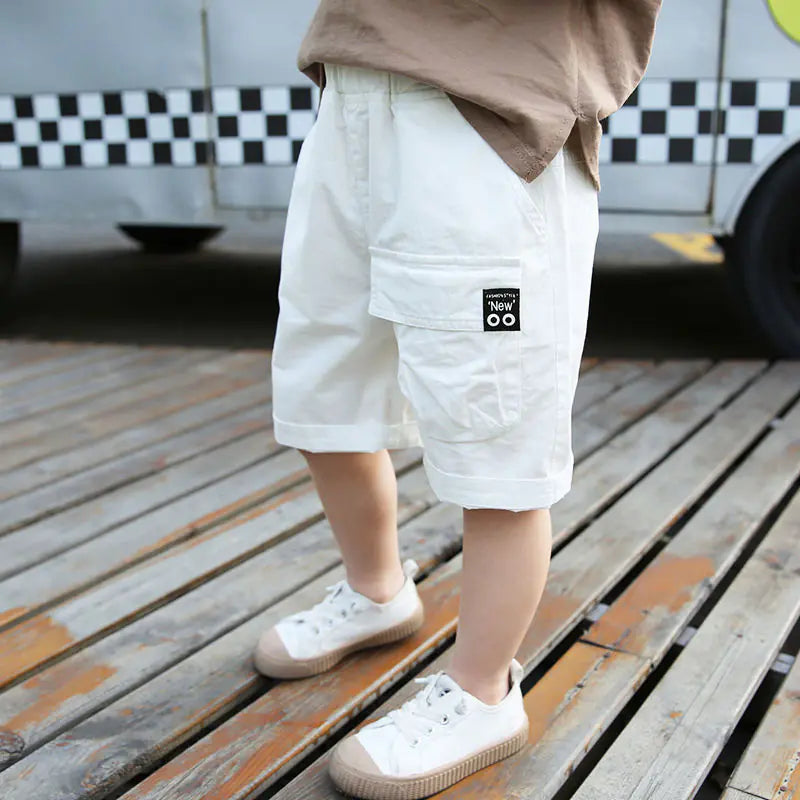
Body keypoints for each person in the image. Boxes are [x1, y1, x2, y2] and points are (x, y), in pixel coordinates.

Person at [254, 1, 661, 797]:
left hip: (484, 112)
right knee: (320, 391)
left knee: (495, 436)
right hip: (351, 96)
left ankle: (482, 694)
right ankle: (376, 590)